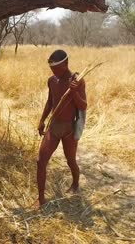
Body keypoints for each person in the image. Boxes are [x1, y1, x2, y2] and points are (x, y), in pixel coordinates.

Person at [35, 50, 87, 207]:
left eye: (57, 68)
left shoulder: (77, 80)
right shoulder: (52, 80)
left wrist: (74, 92)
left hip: (69, 129)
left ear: (66, 64)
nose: (54, 72)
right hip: (54, 127)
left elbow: (83, 105)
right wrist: (42, 120)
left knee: (70, 160)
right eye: (52, 69)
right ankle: (41, 198)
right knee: (40, 161)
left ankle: (75, 184)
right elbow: (50, 102)